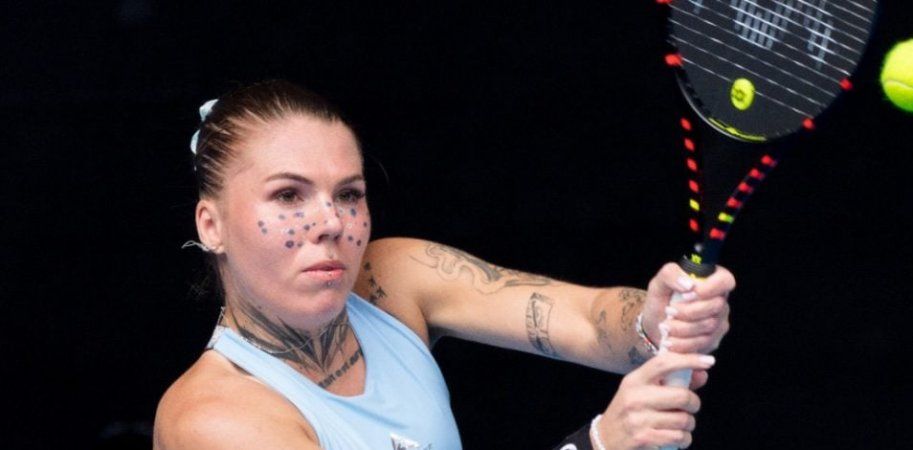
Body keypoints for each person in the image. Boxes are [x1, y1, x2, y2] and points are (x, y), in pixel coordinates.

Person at [154, 80, 735, 450]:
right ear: (211, 226)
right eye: (288, 195)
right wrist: (599, 444)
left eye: (349, 194)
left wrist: (656, 321)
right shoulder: (213, 419)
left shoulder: (391, 280)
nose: (331, 221)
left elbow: (588, 320)